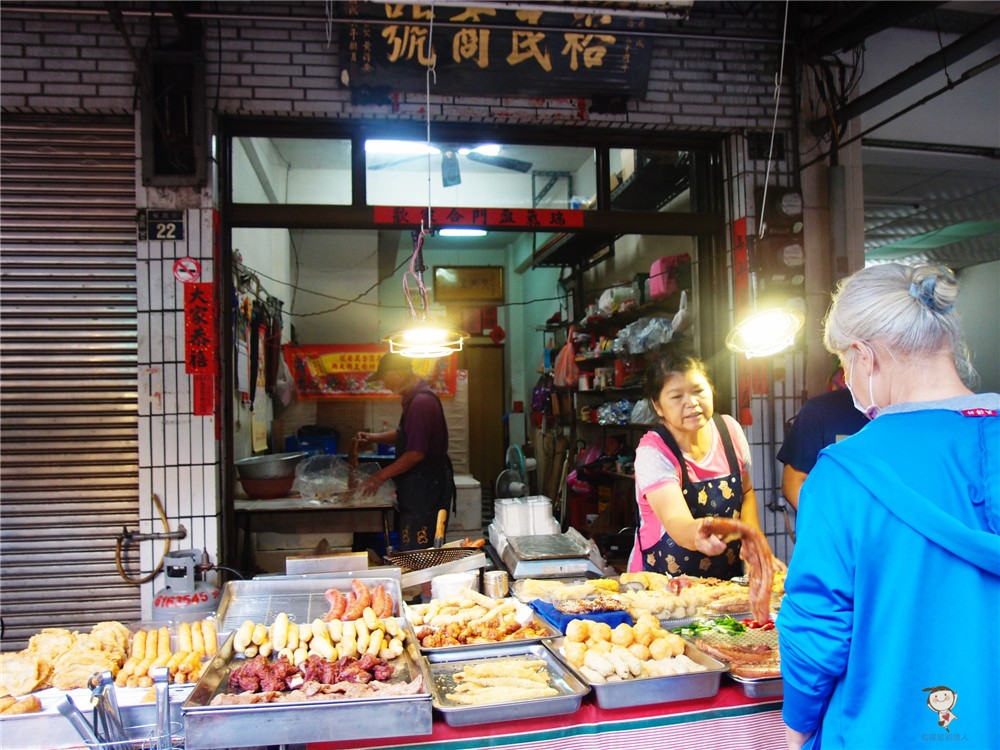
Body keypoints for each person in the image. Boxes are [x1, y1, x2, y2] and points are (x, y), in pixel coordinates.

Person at [777, 263, 999, 750]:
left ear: (864, 356)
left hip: (885, 729)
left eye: (846, 364)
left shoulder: (843, 474)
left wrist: (796, 731)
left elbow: (816, 631)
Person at [627, 353, 772, 578]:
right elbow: (676, 521)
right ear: (658, 406)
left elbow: (746, 492)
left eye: (698, 391)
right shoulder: (653, 452)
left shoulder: (730, 431)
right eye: (676, 397)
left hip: (724, 581)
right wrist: (698, 533)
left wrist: (752, 538)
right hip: (660, 584)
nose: (691, 403)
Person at [357, 353, 455, 551]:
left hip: (425, 489)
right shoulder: (414, 398)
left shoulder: (421, 402)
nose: (385, 384)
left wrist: (380, 477)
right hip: (420, 487)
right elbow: (404, 434)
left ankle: (421, 581)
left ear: (399, 375)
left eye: (386, 379)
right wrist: (373, 437)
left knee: (419, 550)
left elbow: (416, 452)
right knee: (414, 547)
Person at [776, 367, 869, 510]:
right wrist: (824, 527)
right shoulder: (821, 410)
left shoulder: (908, 417)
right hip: (836, 523)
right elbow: (793, 483)